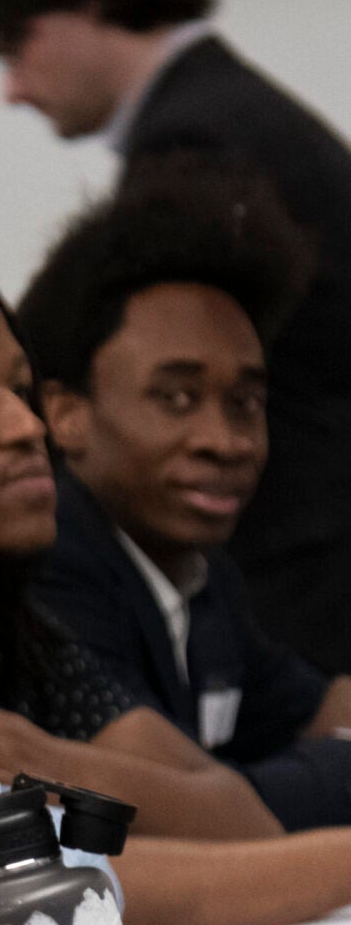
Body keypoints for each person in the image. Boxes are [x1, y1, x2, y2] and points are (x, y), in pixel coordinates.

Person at [0, 239, 351, 925]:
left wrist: (43, 754)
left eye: (19, 389)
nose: (26, 427)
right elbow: (75, 884)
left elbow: (228, 807)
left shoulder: (22, 633)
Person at [0, 0, 351, 668]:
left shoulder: (202, 143)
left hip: (300, 563)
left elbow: (68, 342)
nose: (12, 88)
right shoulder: (228, 114)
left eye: (15, 43)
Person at [19, 164, 351, 831]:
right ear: (66, 414)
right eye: (176, 397)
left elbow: (318, 711)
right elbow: (175, 811)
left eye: (246, 403)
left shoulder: (202, 577)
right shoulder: (51, 559)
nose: (225, 441)